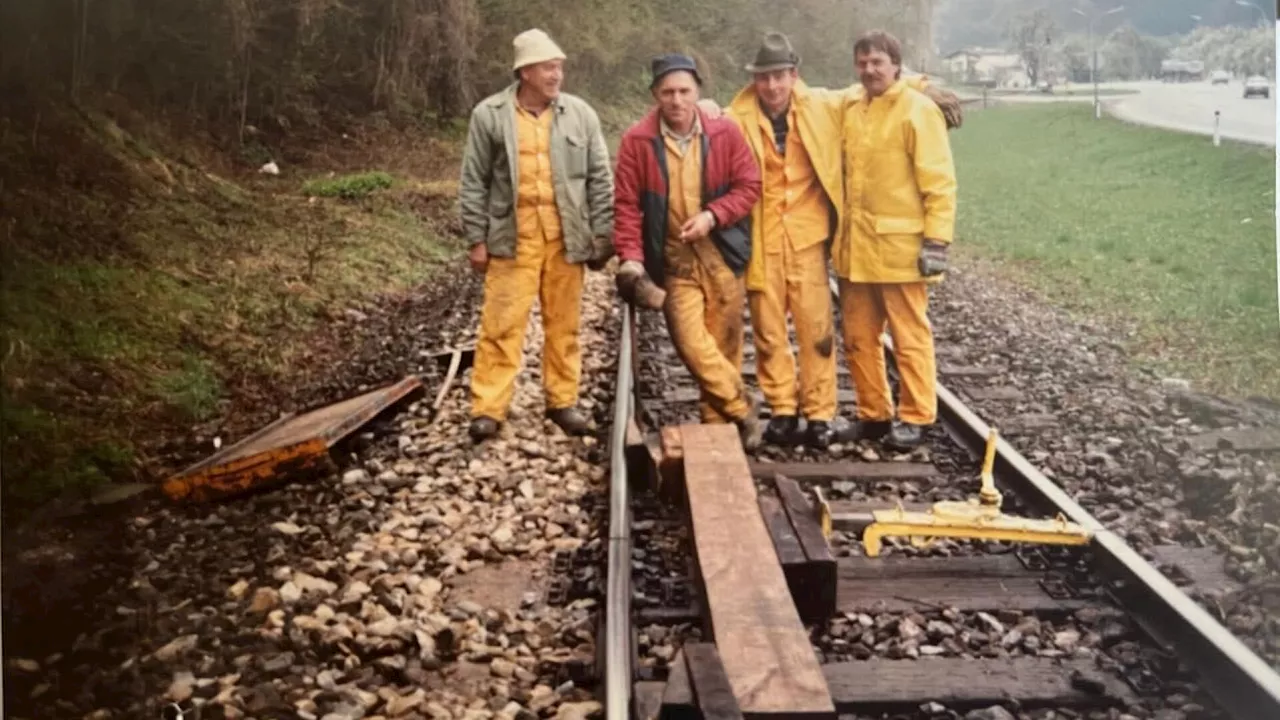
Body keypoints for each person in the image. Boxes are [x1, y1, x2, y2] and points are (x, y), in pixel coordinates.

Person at [458, 29, 615, 442]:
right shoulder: (489, 115)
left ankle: (562, 401)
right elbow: (473, 181)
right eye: (549, 67)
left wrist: (603, 235)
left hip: (566, 239)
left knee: (564, 325)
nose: (556, 75)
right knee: (500, 325)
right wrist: (477, 239)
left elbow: (600, 178)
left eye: (559, 67)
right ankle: (488, 409)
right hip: (512, 239)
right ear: (525, 71)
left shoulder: (580, 114)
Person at [612, 54, 765, 448]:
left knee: (724, 344)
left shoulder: (724, 133)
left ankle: (718, 426)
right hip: (676, 261)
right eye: (668, 92)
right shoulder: (638, 141)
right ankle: (743, 406)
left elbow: (749, 185)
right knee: (692, 343)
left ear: (697, 91)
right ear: (654, 95)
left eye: (684, 91)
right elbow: (627, 205)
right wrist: (632, 256)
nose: (676, 100)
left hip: (722, 256)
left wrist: (713, 216)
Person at [835, 30, 957, 452]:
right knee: (857, 336)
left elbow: (939, 181)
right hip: (856, 249)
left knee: (909, 336)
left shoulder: (918, 112)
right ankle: (873, 414)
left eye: (878, 63)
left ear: (896, 66)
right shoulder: (851, 106)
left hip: (901, 250)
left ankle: (916, 414)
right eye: (863, 63)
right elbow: (810, 98)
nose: (870, 70)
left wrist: (937, 241)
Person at [722, 32, 844, 450]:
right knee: (769, 329)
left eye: (780, 76)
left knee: (817, 329)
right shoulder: (734, 117)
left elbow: (869, 92)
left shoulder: (820, 105)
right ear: (754, 80)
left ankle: (820, 413)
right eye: (764, 78)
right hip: (761, 238)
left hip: (807, 237)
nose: (772, 86)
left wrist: (920, 85)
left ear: (794, 75)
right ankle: (783, 409)